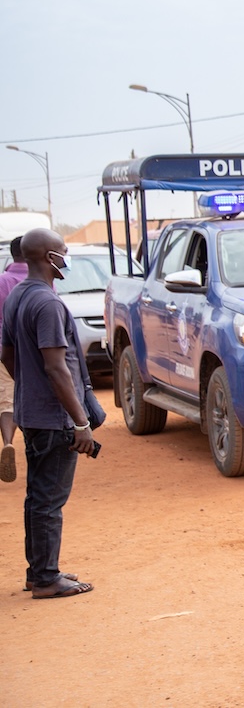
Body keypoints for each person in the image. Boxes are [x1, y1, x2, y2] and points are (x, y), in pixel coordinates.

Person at [0, 228, 96, 598]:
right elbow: (57, 368)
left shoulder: (18, 296)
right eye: (63, 251)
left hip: (32, 411)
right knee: (49, 501)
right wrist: (81, 422)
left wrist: (31, 386)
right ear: (48, 257)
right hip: (54, 417)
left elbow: (7, 354)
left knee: (37, 497)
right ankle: (45, 578)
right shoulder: (48, 304)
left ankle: (38, 571)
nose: (66, 258)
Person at [1, 236, 28, 482]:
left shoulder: (3, 281)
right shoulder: (41, 282)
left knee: (7, 399)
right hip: (34, 351)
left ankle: (8, 442)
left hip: (4, 349)